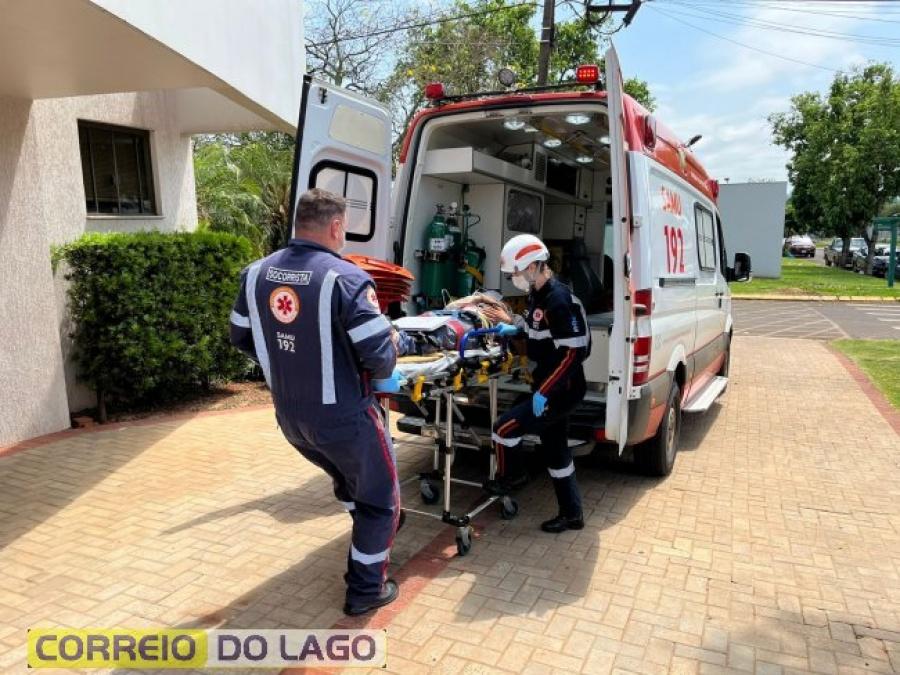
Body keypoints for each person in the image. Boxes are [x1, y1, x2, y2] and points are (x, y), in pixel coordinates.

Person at [229, 188, 403, 616]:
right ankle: (365, 590)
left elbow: (240, 336)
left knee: (348, 481)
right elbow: (379, 355)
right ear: (336, 226)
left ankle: (371, 532)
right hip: (346, 417)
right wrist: (393, 342)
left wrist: (289, 362)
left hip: (291, 418)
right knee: (382, 500)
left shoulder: (255, 274)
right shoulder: (345, 278)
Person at [484, 234, 590, 533]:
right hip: (548, 384)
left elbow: (573, 354)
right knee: (556, 451)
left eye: (516, 273)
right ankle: (573, 515)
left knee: (504, 428)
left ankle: (512, 478)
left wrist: (544, 392)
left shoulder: (559, 300)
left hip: (560, 390)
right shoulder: (537, 296)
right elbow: (536, 334)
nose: (515, 278)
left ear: (532, 266)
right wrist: (514, 328)